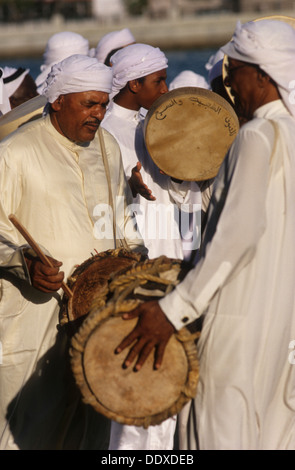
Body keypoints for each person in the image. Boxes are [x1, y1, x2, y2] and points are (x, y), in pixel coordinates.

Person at [115, 18, 295, 450]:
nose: (230, 83)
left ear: (263, 76)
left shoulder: (257, 136)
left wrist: (173, 309)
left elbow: (237, 235)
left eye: (237, 72)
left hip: (236, 330)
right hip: (282, 335)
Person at [0, 54, 146, 450]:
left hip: (99, 318)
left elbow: (122, 223)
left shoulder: (108, 147)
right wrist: (23, 263)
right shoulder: (15, 152)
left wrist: (137, 264)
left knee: (92, 435)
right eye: (89, 104)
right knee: (28, 433)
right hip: (35, 319)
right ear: (59, 100)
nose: (98, 114)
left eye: (103, 104)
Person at [101, 42, 202, 450]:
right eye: (157, 80)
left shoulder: (157, 123)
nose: (165, 87)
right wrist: (126, 188)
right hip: (133, 260)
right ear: (133, 82)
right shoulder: (104, 129)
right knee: (132, 376)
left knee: (168, 369)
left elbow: (182, 195)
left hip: (170, 251)